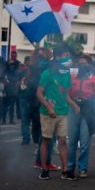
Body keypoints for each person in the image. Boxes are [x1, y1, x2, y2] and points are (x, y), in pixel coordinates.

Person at [37, 45, 73, 180]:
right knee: (46, 140)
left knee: (63, 141)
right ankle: (44, 169)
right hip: (48, 113)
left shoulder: (67, 73)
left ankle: (65, 171)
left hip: (63, 112)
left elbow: (66, 95)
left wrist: (74, 105)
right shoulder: (47, 73)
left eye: (68, 55)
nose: (68, 58)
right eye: (65, 55)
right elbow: (39, 93)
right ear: (57, 57)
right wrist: (49, 108)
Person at [67, 54, 95, 178]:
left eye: (85, 64)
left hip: (88, 110)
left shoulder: (94, 78)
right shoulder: (71, 76)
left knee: (84, 142)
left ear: (90, 65)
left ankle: (82, 168)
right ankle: (70, 167)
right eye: (80, 64)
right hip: (73, 109)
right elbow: (65, 93)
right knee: (72, 141)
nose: (82, 66)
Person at [2, 51, 20, 124]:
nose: (13, 56)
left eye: (14, 55)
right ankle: (3, 120)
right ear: (10, 55)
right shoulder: (7, 63)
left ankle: (11, 120)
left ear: (16, 56)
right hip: (7, 86)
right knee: (5, 104)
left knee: (12, 105)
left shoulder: (18, 63)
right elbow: (3, 73)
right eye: (12, 55)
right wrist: (5, 79)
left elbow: (19, 73)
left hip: (14, 86)